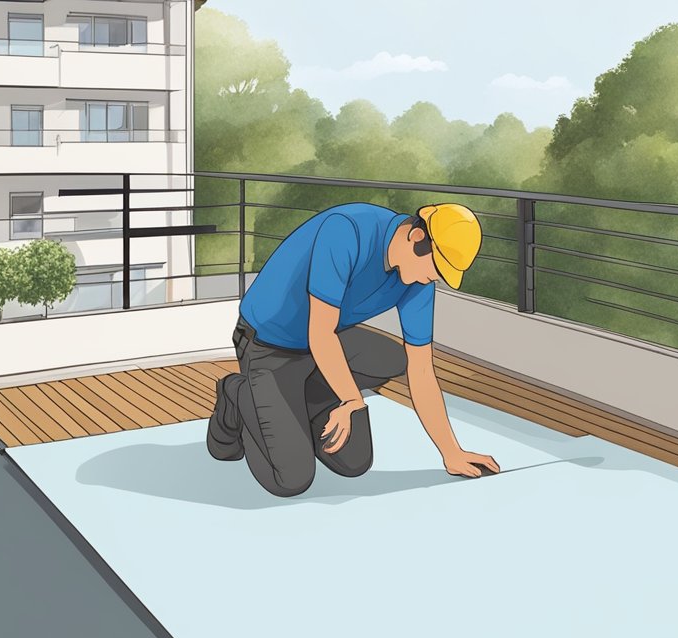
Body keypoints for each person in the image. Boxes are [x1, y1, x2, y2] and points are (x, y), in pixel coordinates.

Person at [207, 201, 501, 497]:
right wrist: (351, 400)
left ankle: (300, 399)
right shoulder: (346, 231)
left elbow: (422, 368)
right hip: (270, 342)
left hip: (320, 347)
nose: (433, 278)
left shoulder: (419, 280)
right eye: (436, 268)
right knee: (291, 479)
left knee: (354, 461)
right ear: (416, 238)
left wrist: (451, 452)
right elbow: (320, 333)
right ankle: (237, 392)